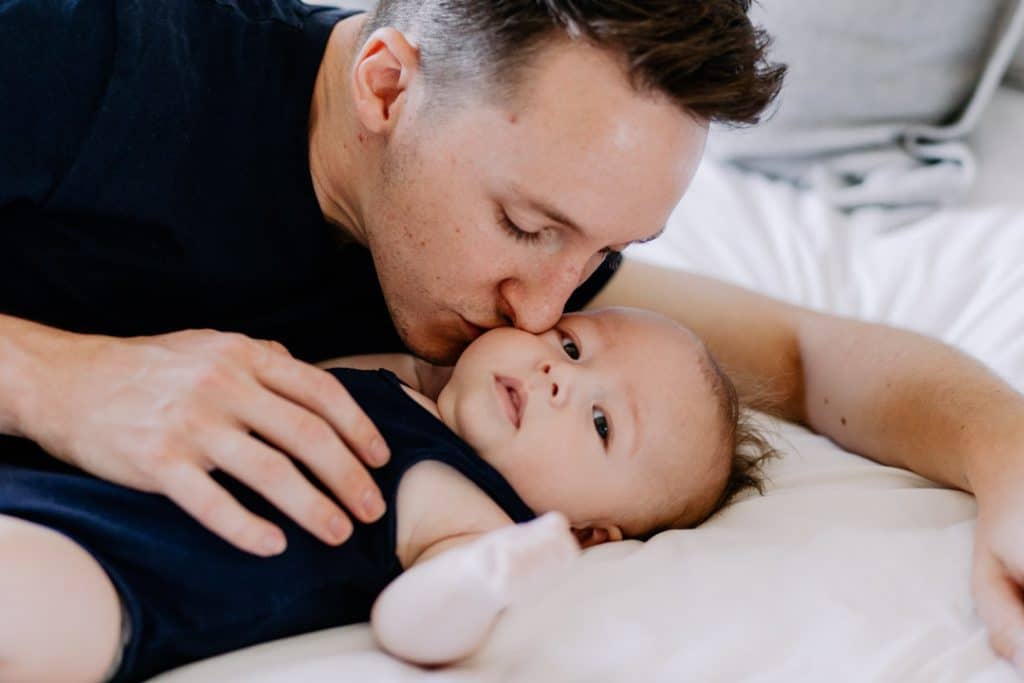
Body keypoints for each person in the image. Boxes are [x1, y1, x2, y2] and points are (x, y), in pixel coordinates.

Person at [2, 0, 1024, 669]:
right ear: (387, 87)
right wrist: (55, 379)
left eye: (600, 250)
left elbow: (808, 358)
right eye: (528, 227)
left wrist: (1010, 465)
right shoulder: (86, 56)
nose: (545, 311)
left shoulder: (515, 298)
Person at [0, 308, 773, 682]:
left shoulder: (471, 506)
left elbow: (411, 621)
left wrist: (492, 571)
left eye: (601, 421)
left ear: (592, 531)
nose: (558, 375)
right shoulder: (396, 380)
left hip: (131, 573)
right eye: (571, 343)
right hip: (70, 473)